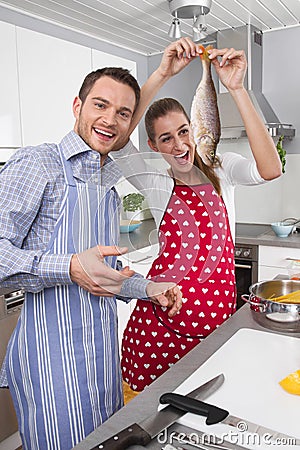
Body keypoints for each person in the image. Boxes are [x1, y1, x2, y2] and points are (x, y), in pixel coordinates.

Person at [0, 38, 201, 450]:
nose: (110, 119)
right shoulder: (39, 163)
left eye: (123, 113)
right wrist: (68, 266)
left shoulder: (109, 187)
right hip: (52, 362)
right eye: (100, 105)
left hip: (101, 360)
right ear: (78, 107)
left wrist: (147, 289)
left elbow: (102, 275)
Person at [113, 47, 282, 393]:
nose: (179, 145)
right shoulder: (155, 183)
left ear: (195, 128)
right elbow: (117, 144)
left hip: (214, 325)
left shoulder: (223, 168)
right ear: (153, 145)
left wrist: (236, 88)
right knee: (150, 423)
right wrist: (161, 73)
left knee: (205, 415)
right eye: (166, 138)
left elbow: (271, 169)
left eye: (184, 131)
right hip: (159, 331)